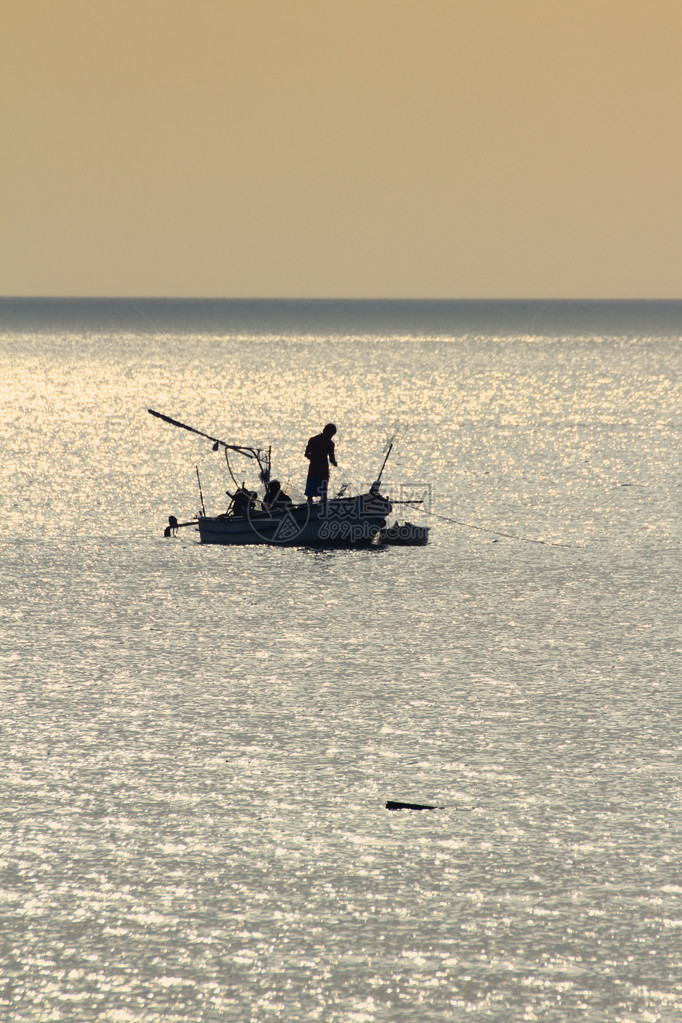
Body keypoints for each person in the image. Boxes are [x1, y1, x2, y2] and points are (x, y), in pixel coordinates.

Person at [304, 423, 337, 503]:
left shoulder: (313, 440)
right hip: (323, 470)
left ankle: (309, 507)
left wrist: (313, 458)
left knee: (310, 494)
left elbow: (306, 454)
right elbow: (331, 459)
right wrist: (335, 463)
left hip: (313, 468)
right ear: (331, 433)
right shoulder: (330, 443)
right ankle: (322, 508)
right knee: (323, 494)